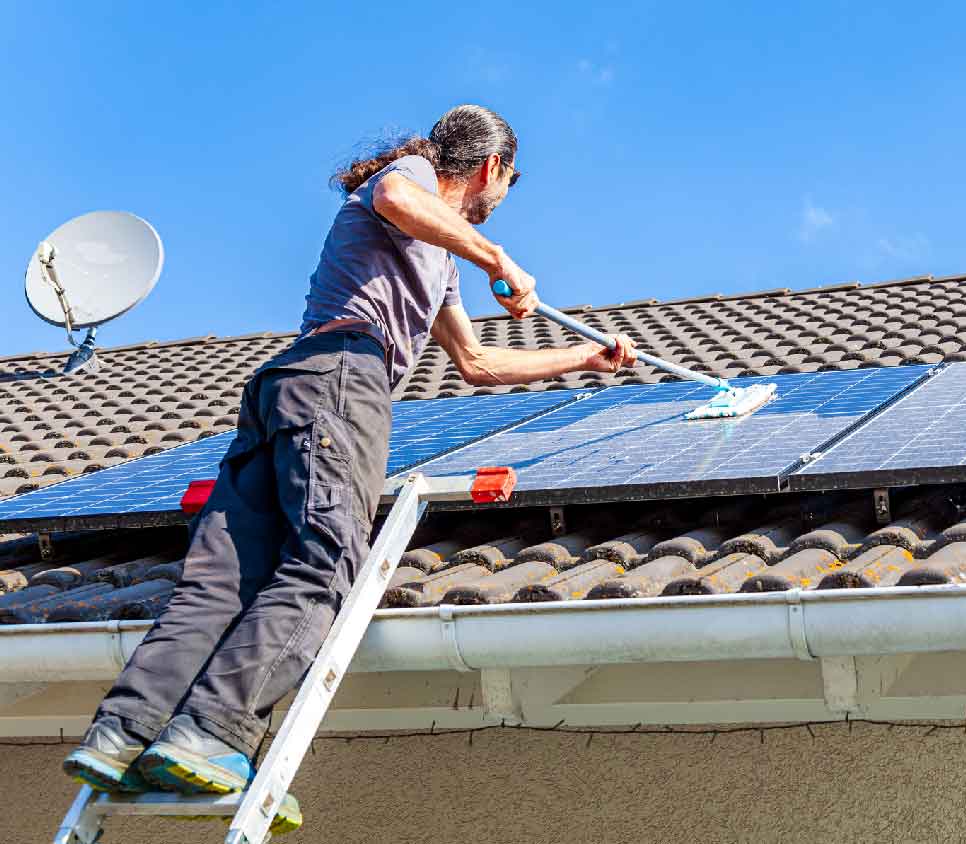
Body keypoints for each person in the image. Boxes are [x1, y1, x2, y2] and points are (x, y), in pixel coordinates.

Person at [62, 105, 636, 810]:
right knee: (327, 558)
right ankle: (208, 733)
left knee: (224, 578)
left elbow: (479, 364)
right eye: (509, 183)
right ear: (491, 169)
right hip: (339, 378)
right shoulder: (413, 178)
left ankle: (123, 733)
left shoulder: (439, 259)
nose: (502, 201)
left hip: (286, 391)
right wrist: (501, 257)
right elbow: (399, 199)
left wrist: (587, 357)